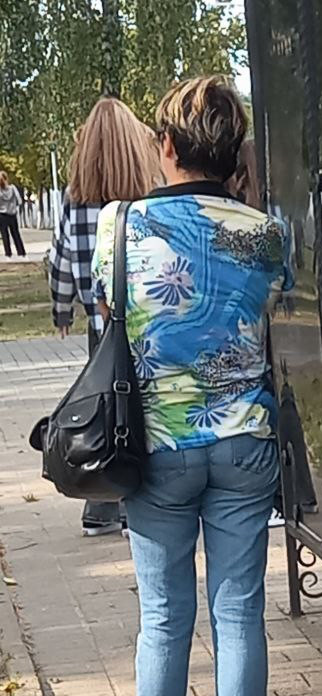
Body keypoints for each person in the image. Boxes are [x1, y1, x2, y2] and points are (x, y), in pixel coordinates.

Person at [91, 75, 291, 696]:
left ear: (166, 146)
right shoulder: (264, 232)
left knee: (164, 617)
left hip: (159, 446)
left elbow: (105, 307)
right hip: (244, 440)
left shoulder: (121, 225)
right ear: (231, 150)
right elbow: (278, 299)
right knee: (239, 611)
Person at [49, 96, 159, 536]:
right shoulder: (148, 199)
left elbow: (59, 260)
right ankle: (137, 502)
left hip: (101, 326)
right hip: (145, 324)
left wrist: (61, 310)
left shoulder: (74, 201)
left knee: (103, 408)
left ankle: (100, 506)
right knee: (141, 411)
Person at [0, 172, 26, 257]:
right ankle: (21, 252)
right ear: (7, 178)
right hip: (12, 214)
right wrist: (13, 206)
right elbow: (20, 201)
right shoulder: (13, 188)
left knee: (5, 234)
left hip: (2, 215)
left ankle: (8, 254)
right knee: (16, 233)